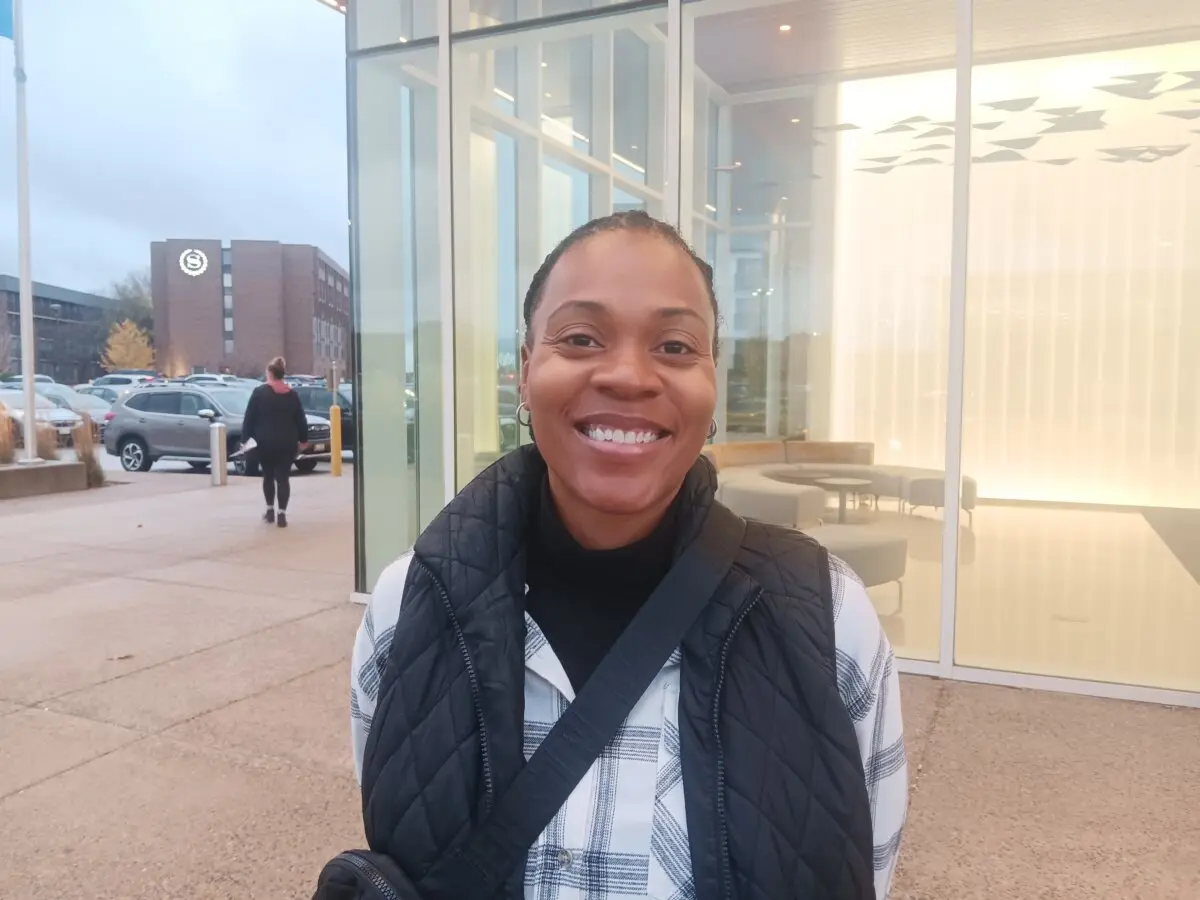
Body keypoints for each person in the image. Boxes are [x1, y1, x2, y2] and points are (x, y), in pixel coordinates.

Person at [349, 211, 906, 899]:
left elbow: (867, 868)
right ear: (525, 374)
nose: (628, 375)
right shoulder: (410, 606)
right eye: (581, 338)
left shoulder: (825, 615)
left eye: (674, 347)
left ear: (712, 384)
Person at [240, 356, 308, 528]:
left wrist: (245, 440)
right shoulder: (292, 395)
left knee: (268, 476)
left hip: (265, 442)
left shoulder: (259, 393)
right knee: (283, 478)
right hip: (287, 443)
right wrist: (303, 440)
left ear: (270, 373)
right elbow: (301, 419)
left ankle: (270, 511)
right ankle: (282, 515)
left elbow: (249, 419)